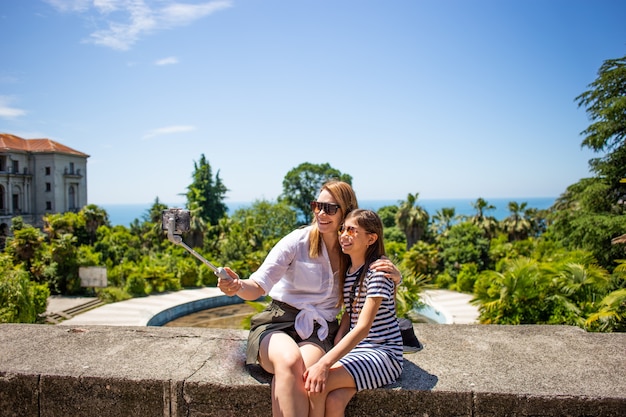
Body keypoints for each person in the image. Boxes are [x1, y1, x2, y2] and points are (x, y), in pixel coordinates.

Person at [218, 180, 402, 417]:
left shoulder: (350, 249)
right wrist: (237, 286)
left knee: (308, 375)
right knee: (289, 360)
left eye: (330, 208)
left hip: (319, 330)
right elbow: (257, 285)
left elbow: (372, 278)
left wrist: (397, 278)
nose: (321, 213)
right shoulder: (297, 241)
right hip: (279, 321)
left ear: (345, 212)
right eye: (317, 206)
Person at [304, 209, 403, 417]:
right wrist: (337, 345)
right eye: (342, 229)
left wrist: (324, 363)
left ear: (371, 238)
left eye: (352, 230)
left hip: (384, 355)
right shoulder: (351, 270)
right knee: (334, 401)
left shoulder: (377, 272)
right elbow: (351, 312)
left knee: (315, 384)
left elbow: (363, 327)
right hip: (361, 351)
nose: (343, 235)